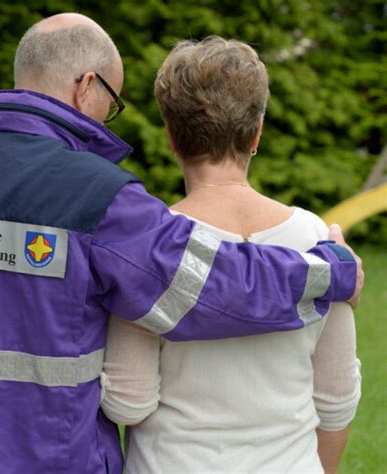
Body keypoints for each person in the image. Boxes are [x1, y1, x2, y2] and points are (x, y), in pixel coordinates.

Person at [0, 14, 362, 474]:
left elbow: (129, 399)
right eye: (111, 102)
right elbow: (209, 283)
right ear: (87, 85)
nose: (108, 116)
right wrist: (331, 271)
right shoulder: (95, 196)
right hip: (52, 459)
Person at [101, 37, 362, 473]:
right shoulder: (316, 239)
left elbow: (129, 401)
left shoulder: (147, 245)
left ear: (171, 138)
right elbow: (337, 400)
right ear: (256, 131)